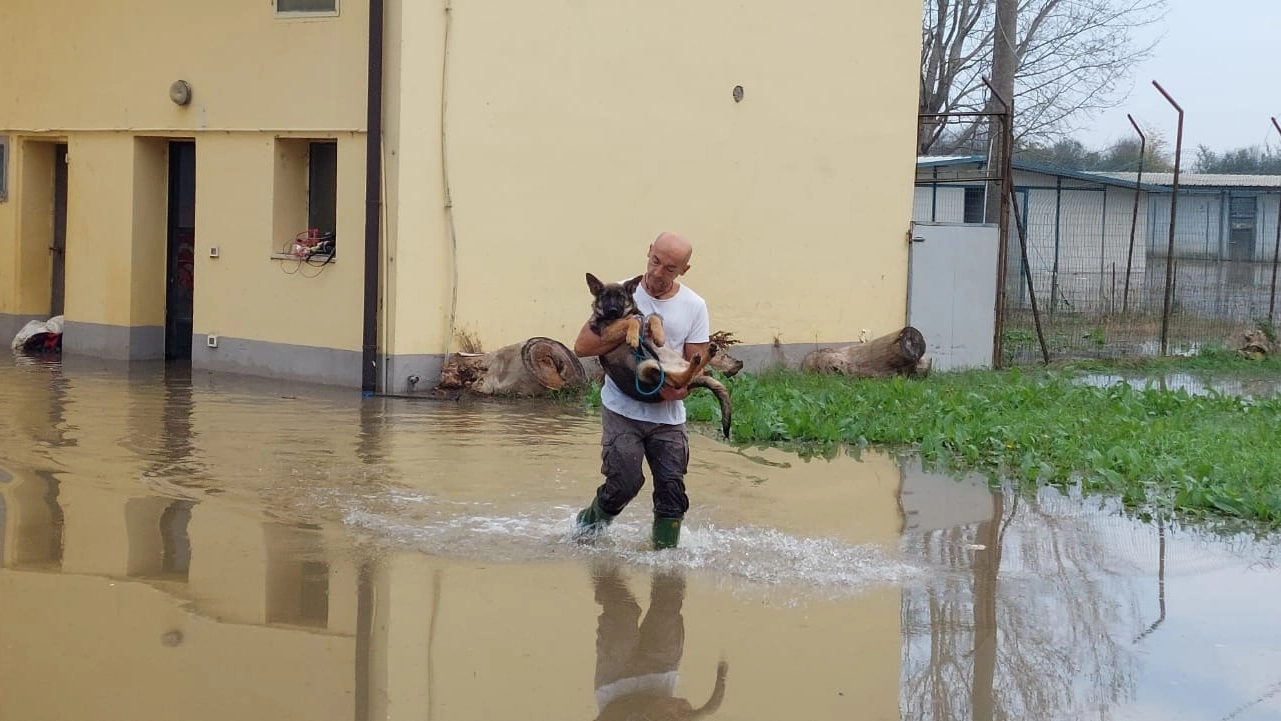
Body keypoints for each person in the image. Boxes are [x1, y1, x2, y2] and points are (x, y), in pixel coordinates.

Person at [573, 231, 710, 549]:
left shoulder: (694, 305)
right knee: (624, 484)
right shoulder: (619, 292)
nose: (658, 272)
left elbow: (695, 360)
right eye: (655, 261)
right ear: (649, 252)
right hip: (623, 408)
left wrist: (681, 390)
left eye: (670, 268)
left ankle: (666, 563)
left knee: (672, 490)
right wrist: (627, 327)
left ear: (684, 271)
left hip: (668, 413)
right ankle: (584, 532)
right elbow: (582, 346)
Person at [588, 563, 728, 721]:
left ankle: (599, 556)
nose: (683, 705)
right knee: (668, 602)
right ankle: (670, 556)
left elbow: (613, 712)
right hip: (661, 672)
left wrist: (650, 711)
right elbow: (691, 707)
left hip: (615, 681)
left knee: (621, 609)